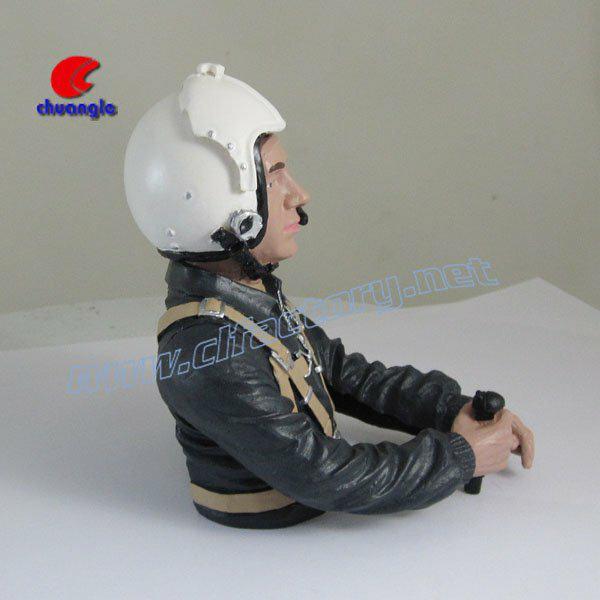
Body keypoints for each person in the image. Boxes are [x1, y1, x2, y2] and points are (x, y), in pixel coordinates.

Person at [124, 63, 534, 529]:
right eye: (275, 178)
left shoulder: (244, 300)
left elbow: (337, 371)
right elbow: (327, 474)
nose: (299, 194)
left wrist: (449, 409)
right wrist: (460, 457)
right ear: (220, 205)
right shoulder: (209, 351)